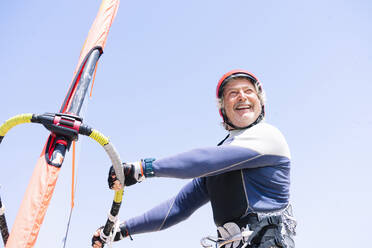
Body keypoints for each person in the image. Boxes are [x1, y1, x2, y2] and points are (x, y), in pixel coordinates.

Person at [92, 69, 297, 248]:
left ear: (261, 103)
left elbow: (204, 161)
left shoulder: (268, 136)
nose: (242, 96)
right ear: (222, 109)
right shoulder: (222, 160)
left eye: (248, 91)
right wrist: (122, 230)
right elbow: (178, 207)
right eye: (233, 93)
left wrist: (143, 168)